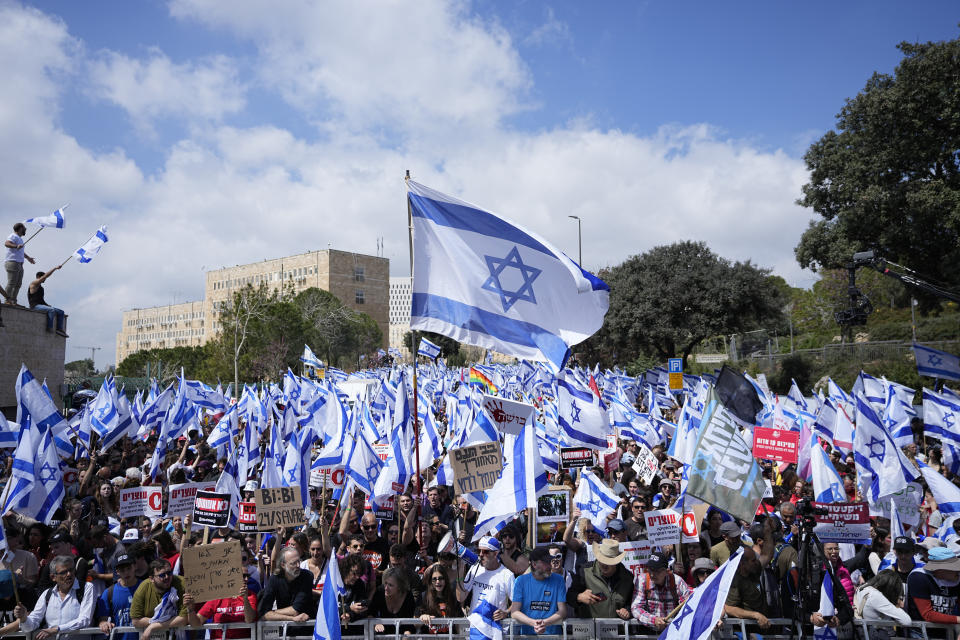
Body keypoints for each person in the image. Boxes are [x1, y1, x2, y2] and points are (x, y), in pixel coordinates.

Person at [0, 554, 96, 638]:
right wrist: (24, 618)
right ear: (53, 577)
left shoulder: (87, 588)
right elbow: (31, 624)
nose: (69, 574)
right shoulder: (47, 594)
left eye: (71, 570)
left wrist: (57, 629)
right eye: (63, 572)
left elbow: (85, 620)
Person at [568, 538, 633, 620]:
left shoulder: (628, 578)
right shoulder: (584, 571)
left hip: (618, 630)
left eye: (608, 561)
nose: (604, 564)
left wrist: (627, 610)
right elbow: (569, 596)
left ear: (616, 562)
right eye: (602, 559)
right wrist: (579, 597)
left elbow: (632, 603)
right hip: (589, 630)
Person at [509, 546, 567, 635]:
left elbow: (562, 611)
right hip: (527, 636)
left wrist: (545, 623)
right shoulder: (521, 581)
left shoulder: (559, 580)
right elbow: (514, 612)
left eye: (549, 561)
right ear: (534, 564)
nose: (550, 565)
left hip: (553, 636)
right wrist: (533, 623)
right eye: (546, 562)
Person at [187, 566, 257, 640]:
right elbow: (196, 623)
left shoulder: (251, 595)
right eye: (243, 576)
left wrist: (245, 599)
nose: (246, 579)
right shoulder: (218, 596)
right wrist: (190, 609)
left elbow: (249, 620)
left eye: (247, 576)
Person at [631, 551, 693, 631]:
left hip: (672, 632)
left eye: (657, 571)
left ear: (666, 571)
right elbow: (636, 608)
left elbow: (687, 606)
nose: (652, 574)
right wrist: (654, 620)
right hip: (649, 633)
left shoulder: (677, 582)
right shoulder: (642, 580)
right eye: (650, 570)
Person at [130, 558, 189, 640]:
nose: (167, 577)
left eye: (169, 573)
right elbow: (136, 621)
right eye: (162, 575)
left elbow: (184, 619)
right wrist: (163, 623)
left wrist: (154, 626)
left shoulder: (181, 583)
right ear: (151, 579)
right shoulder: (144, 587)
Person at [256, 547, 313, 622]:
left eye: (299, 561)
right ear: (283, 565)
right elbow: (264, 612)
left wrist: (271, 613)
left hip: (306, 626)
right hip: (283, 627)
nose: (298, 565)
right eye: (293, 563)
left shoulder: (307, 576)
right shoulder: (275, 578)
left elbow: (295, 610)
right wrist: (291, 618)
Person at [905, 547, 960, 624]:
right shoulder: (918, 577)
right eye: (955, 568)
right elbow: (927, 614)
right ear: (940, 570)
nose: (958, 571)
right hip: (921, 632)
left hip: (948, 631)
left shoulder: (957, 579)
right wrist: (958, 619)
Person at [724, 547, 772, 630]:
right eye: (753, 560)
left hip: (763, 628)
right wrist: (755, 615)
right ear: (742, 564)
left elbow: (767, 555)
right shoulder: (735, 581)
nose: (756, 562)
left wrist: (767, 534)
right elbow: (729, 608)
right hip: (748, 631)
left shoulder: (753, 571)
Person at [96, 553, 141, 640]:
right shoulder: (109, 593)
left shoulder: (146, 587)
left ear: (135, 566)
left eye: (129, 568)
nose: (126, 572)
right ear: (117, 571)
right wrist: (103, 623)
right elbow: (103, 619)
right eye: (122, 570)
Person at [368, 566, 417, 634]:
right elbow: (370, 613)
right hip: (383, 635)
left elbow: (409, 623)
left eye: (390, 585)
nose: (386, 588)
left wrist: (407, 636)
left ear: (399, 587)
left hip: (403, 634)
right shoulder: (380, 591)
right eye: (385, 583)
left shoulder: (408, 596)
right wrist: (376, 623)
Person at [417, 563, 463, 633]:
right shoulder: (423, 597)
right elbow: (414, 624)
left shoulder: (453, 597)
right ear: (430, 581)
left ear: (445, 580)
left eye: (441, 578)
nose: (438, 582)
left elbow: (458, 625)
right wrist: (422, 617)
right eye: (434, 579)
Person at [27, 266, 66, 335]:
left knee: (61, 312)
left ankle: (59, 329)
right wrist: (55, 268)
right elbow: (45, 276)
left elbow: (40, 299)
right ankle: (49, 328)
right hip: (35, 306)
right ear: (39, 277)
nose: (45, 279)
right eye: (43, 278)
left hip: (41, 305)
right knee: (51, 310)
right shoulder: (33, 284)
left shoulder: (41, 288)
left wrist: (47, 305)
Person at [5, 222, 35, 305]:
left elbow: (21, 252)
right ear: (20, 228)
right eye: (24, 228)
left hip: (19, 264)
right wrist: (16, 246)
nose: (25, 229)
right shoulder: (13, 236)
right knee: (11, 283)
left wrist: (28, 258)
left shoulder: (19, 238)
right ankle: (7, 300)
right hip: (13, 262)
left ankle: (13, 301)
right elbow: (7, 243)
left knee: (18, 284)